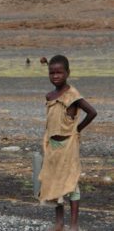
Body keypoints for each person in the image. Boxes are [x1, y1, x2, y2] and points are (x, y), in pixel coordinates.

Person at [38, 55, 97, 231]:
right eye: (52, 73)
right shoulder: (50, 96)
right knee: (54, 181)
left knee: (71, 183)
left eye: (59, 72)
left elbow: (92, 112)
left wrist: (77, 129)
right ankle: (58, 223)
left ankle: (73, 225)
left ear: (67, 73)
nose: (55, 76)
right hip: (52, 146)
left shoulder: (73, 95)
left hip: (68, 146)